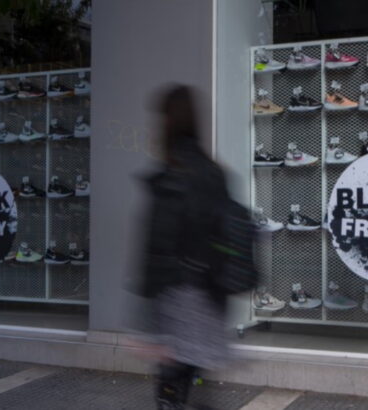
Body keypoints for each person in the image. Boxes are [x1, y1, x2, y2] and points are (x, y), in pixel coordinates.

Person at [140, 85, 230, 410]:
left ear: (169, 121)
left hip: (178, 297)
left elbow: (159, 244)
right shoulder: (213, 172)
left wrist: (145, 317)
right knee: (193, 382)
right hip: (209, 295)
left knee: (172, 390)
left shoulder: (173, 175)